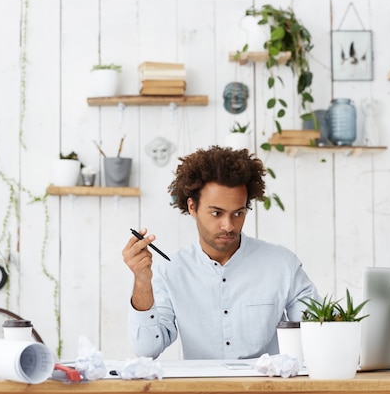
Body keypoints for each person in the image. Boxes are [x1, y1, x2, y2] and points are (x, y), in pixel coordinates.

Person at [122, 145, 318, 360]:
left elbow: (318, 333)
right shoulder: (170, 270)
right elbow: (147, 349)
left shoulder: (282, 265)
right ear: (192, 207)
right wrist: (142, 281)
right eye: (217, 213)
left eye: (238, 213)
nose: (228, 225)